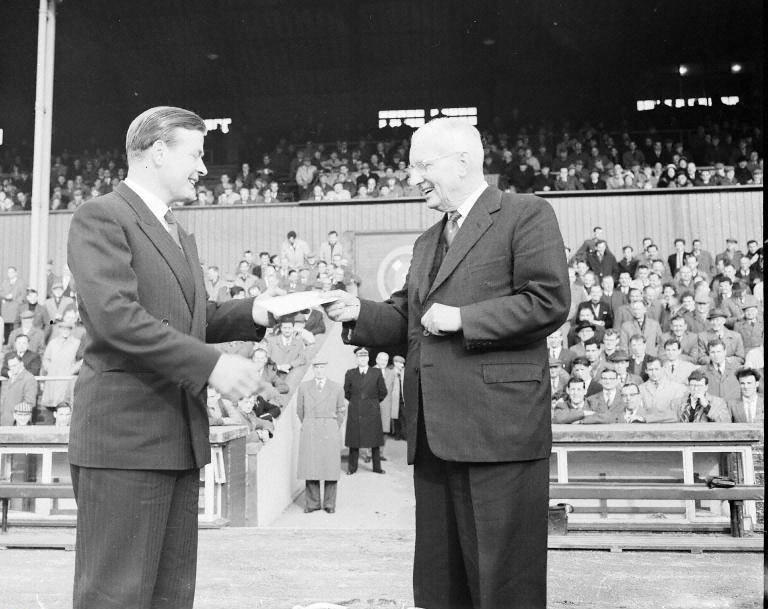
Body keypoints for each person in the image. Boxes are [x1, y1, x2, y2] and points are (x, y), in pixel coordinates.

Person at [325, 118, 569, 609]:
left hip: (498, 432)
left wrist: (463, 318)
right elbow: (407, 320)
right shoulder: (425, 242)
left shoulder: (526, 214)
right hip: (435, 436)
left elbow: (548, 300)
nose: (412, 176)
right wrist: (358, 313)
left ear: (463, 160)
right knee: (440, 583)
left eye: (421, 164)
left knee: (503, 583)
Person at [66, 106, 273, 609]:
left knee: (168, 595)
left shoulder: (176, 232)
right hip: (126, 443)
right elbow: (117, 318)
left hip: (176, 441)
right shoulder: (102, 216)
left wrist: (261, 310)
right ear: (158, 152)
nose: (204, 168)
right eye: (196, 154)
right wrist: (212, 365)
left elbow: (189, 316)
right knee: (116, 597)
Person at [296, 356, 346, 513]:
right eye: (316, 367)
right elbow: (300, 410)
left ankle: (330, 504)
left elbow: (341, 411)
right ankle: (312, 503)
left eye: (322, 367)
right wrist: (310, 423)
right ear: (313, 369)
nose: (319, 370)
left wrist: (332, 425)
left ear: (326, 369)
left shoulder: (337, 387)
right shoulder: (304, 387)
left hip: (329, 429)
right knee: (311, 466)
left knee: (330, 467)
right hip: (310, 427)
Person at [343, 347, 388, 475]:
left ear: (368, 358)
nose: (362, 359)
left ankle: (377, 467)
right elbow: (347, 392)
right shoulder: (350, 373)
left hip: (372, 410)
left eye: (364, 357)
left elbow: (383, 392)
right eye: (359, 357)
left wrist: (372, 403)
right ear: (356, 359)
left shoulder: (376, 373)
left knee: (374, 440)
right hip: (355, 410)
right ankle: (352, 468)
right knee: (354, 440)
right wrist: (357, 402)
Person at [0, 355, 38, 426]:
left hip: (17, 423)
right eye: (10, 366)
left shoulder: (29, 379)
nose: (12, 368)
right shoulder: (11, 377)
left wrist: (19, 420)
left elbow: (29, 403)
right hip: (4, 420)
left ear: (21, 364)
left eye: (15, 365)